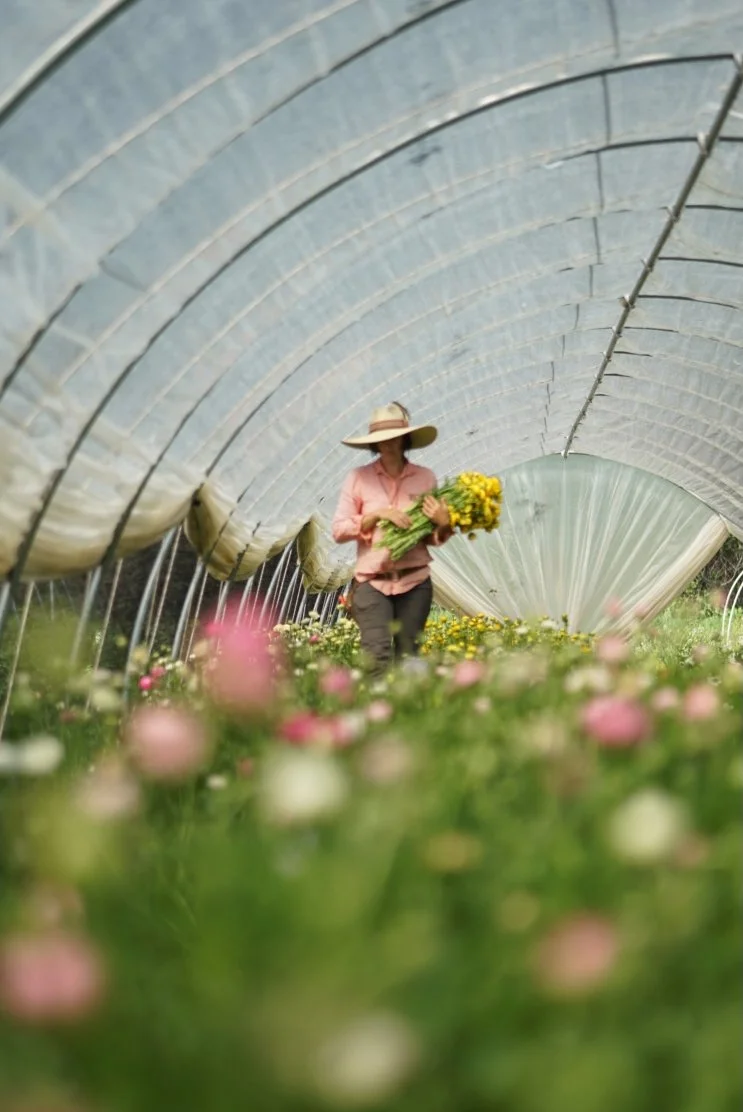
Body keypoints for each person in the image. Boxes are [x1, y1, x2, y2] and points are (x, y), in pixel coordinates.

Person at [332, 402, 452, 673]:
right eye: (381, 440)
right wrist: (377, 516)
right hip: (372, 584)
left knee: (409, 659)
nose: (388, 444)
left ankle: (408, 713)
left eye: (394, 438)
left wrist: (444, 525)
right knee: (376, 658)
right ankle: (377, 713)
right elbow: (339, 530)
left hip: (415, 582)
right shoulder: (358, 478)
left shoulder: (424, 478)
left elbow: (432, 538)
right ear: (373, 444)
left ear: (405, 438)